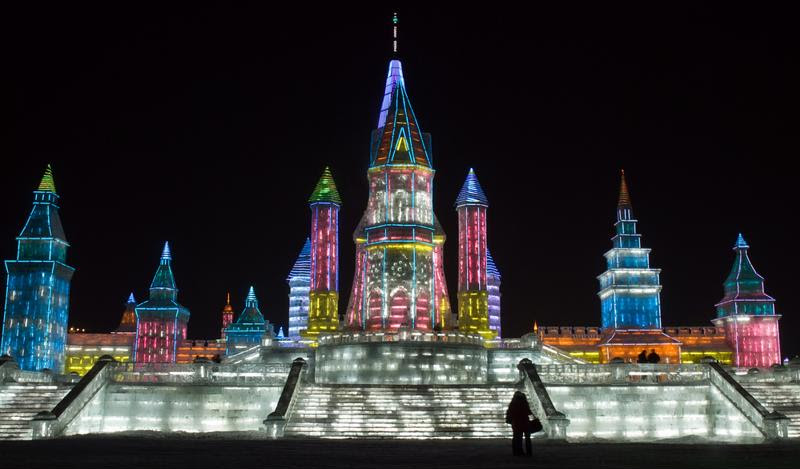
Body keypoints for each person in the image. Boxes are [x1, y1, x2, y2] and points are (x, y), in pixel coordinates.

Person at [505, 391, 533, 457]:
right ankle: (529, 452)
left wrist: (510, 420)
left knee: (517, 438)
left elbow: (509, 413)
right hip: (525, 422)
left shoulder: (513, 403)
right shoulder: (524, 402)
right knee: (527, 438)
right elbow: (529, 412)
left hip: (516, 423)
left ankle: (517, 452)